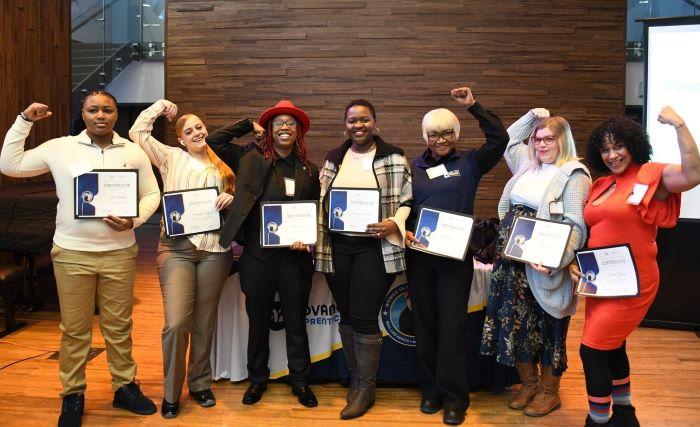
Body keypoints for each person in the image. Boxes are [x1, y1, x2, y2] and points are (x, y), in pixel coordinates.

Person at [0, 91, 160, 427]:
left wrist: (135, 220)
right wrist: (24, 121)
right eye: (93, 109)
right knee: (74, 331)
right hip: (72, 253)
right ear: (83, 114)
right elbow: (9, 165)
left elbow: (151, 194)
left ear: (116, 115)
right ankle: (72, 394)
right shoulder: (60, 148)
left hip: (119, 253)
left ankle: (124, 387)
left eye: (107, 109)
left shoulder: (132, 152)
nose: (100, 115)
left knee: (119, 327)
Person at [571, 108, 700, 426]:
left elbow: (694, 173)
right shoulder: (602, 184)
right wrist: (577, 261)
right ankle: (625, 413)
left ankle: (598, 419)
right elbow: (596, 231)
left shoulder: (651, 175)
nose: (612, 155)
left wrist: (679, 124)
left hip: (634, 281)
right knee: (613, 346)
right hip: (601, 281)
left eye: (618, 146)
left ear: (633, 144)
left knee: (592, 351)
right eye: (605, 149)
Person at [405, 86, 509, 425]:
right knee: (425, 325)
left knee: (453, 327)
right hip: (419, 258)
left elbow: (499, 140)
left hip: (454, 259)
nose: (441, 138)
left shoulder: (470, 163)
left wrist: (474, 106)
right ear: (425, 136)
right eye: (434, 133)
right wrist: (401, 228)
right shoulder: (413, 167)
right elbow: (402, 207)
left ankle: (454, 397)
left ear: (456, 134)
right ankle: (431, 390)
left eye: (447, 132)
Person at [480, 108, 591, 417]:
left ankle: (548, 391)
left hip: (545, 264)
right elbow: (507, 140)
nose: (541, 145)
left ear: (563, 140)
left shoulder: (573, 174)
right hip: (511, 261)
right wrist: (531, 116)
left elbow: (576, 225)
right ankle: (528, 384)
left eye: (549, 139)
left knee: (549, 326)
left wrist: (558, 260)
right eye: (537, 139)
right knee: (515, 324)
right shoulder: (528, 164)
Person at [128, 99, 236, 418]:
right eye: (188, 130)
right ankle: (171, 392)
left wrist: (231, 198)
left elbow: (239, 204)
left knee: (204, 323)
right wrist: (160, 107)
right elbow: (138, 131)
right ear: (180, 139)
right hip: (177, 249)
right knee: (176, 324)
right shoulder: (171, 157)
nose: (195, 132)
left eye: (199, 127)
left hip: (216, 251)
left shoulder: (223, 166)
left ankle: (200, 385)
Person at [218, 100, 321, 408]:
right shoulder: (248, 157)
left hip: (294, 259)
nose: (285, 127)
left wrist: (308, 240)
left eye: (291, 123)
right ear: (270, 130)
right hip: (257, 257)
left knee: (295, 322)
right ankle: (257, 380)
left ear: (298, 131)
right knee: (258, 321)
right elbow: (214, 141)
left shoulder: (309, 170)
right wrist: (247, 124)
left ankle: (301, 381)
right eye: (278, 123)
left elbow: (312, 212)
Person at [315, 99, 412, 420]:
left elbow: (407, 198)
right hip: (338, 247)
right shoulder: (334, 157)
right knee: (346, 313)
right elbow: (321, 201)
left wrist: (393, 223)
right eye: (353, 121)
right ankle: (357, 380)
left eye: (364, 120)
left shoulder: (393, 156)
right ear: (345, 124)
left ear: (374, 122)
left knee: (364, 314)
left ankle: (366, 389)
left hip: (375, 247)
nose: (358, 126)